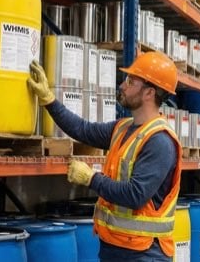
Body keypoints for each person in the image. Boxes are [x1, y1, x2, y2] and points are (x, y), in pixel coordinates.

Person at [28, 51, 183, 262]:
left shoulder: (159, 141)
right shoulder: (122, 128)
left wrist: (91, 178)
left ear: (149, 93)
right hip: (115, 248)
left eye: (130, 81)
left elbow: (135, 195)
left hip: (144, 254)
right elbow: (82, 130)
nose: (122, 86)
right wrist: (49, 100)